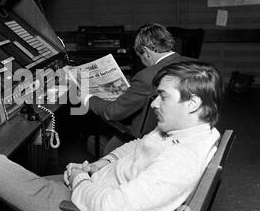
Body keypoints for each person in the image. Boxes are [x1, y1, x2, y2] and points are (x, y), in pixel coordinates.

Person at [0, 61, 223, 211]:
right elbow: (139, 144)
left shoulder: (180, 161)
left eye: (163, 97)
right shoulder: (193, 131)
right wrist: (96, 166)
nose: (154, 104)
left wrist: (80, 178)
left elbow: (109, 210)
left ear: (192, 103)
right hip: (91, 187)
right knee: (8, 203)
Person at [82, 23, 193, 154]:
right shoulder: (195, 65)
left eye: (140, 57)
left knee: (93, 141)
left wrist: (88, 98)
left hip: (145, 138)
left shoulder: (146, 77)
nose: (142, 62)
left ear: (145, 51)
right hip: (185, 134)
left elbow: (111, 112)